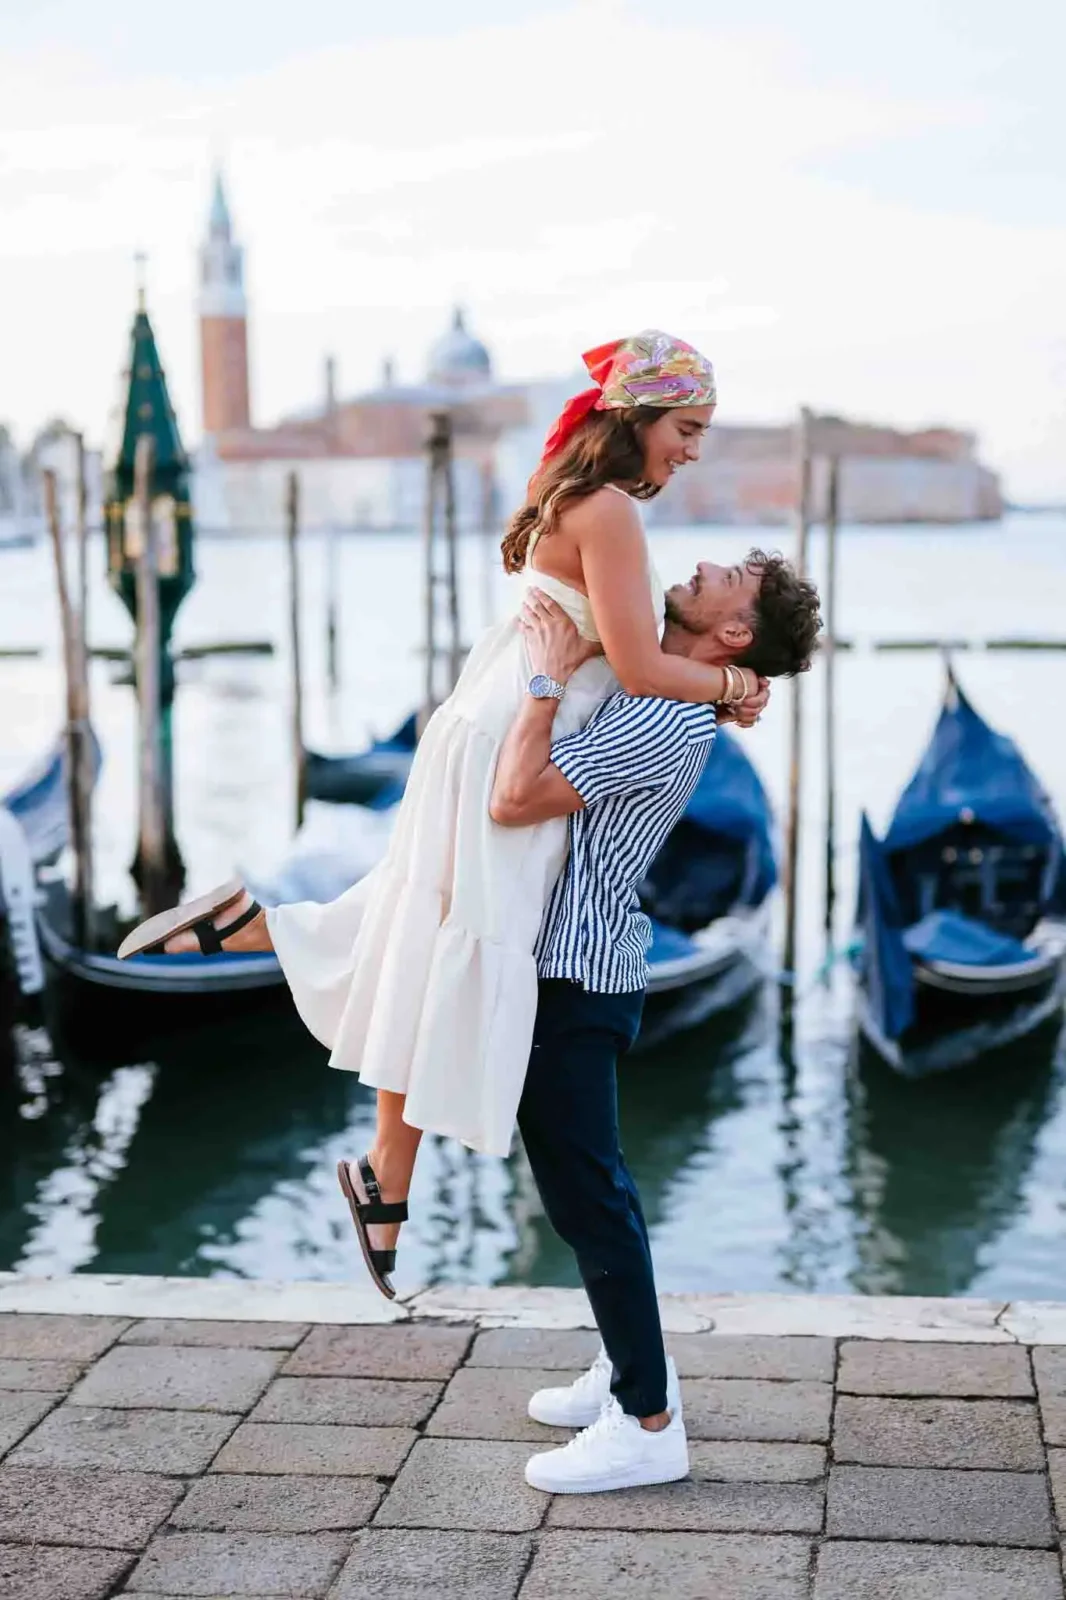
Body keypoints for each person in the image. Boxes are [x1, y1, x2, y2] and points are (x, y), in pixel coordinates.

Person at [118, 330, 792, 1296]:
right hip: (514, 730)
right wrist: (731, 679)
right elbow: (641, 669)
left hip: (486, 719)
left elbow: (630, 659)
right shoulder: (609, 513)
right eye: (685, 428)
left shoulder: (572, 493)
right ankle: (269, 955)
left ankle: (380, 1167)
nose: (692, 449)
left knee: (437, 937)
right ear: (639, 415)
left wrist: (720, 681)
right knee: (465, 945)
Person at [491, 570, 819, 1494]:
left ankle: (646, 1421)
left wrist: (548, 682)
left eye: (732, 581)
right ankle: (628, 1363)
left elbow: (516, 798)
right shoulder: (668, 691)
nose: (704, 569)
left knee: (588, 1194)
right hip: (588, 962)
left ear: (734, 634)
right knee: (592, 1190)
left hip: (577, 970)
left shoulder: (661, 717)